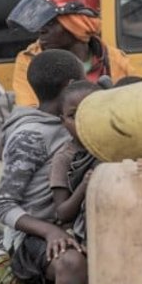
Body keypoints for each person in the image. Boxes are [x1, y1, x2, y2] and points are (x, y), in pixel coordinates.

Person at [0, 49, 91, 284]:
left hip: (70, 224)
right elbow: (3, 206)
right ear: (68, 87)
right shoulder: (31, 135)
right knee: (71, 266)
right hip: (31, 237)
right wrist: (49, 232)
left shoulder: (83, 122)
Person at [8, 0, 132, 106]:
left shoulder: (115, 59)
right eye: (41, 21)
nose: (41, 30)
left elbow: (130, 106)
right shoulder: (29, 60)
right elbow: (29, 112)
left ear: (77, 25)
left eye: (51, 22)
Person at [50, 80, 102, 242]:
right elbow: (62, 213)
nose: (81, 120)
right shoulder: (64, 157)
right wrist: (84, 185)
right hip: (86, 232)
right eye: (73, 116)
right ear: (63, 121)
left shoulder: (113, 146)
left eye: (90, 111)